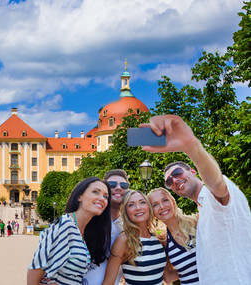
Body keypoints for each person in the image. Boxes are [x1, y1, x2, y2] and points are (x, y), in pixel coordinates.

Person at [141, 114, 251, 284]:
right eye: (169, 181)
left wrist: (191, 146)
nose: (175, 180)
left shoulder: (211, 195)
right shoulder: (203, 210)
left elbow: (216, 183)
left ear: (192, 171)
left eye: (177, 173)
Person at [27, 177, 112, 285]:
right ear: (79, 196)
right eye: (95, 192)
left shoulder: (81, 231)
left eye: (106, 196)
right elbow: (34, 273)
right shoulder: (65, 225)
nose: (102, 198)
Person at [102, 190, 167, 285]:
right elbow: (108, 283)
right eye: (131, 205)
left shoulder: (157, 238)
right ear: (126, 212)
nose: (138, 208)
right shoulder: (124, 240)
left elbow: (165, 277)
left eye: (142, 202)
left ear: (149, 207)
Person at [84, 169, 129, 285]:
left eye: (124, 185)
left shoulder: (129, 227)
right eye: (112, 185)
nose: (119, 188)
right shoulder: (89, 219)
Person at [148, 187, 198, 284]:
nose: (162, 206)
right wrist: (187, 271)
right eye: (155, 205)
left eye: (165, 200)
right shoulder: (163, 241)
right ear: (152, 213)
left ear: (173, 202)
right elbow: (168, 277)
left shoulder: (197, 222)